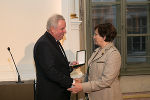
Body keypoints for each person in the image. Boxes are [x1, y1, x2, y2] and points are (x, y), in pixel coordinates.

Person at [68, 23, 123, 100]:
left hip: (106, 96)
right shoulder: (97, 51)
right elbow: (91, 74)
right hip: (93, 96)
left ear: (104, 37)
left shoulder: (113, 54)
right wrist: (82, 81)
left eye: (96, 34)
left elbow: (105, 81)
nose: (93, 37)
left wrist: (82, 86)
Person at [33, 14, 77, 100]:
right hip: (51, 95)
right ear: (52, 29)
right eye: (62, 29)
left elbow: (55, 64)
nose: (65, 31)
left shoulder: (52, 41)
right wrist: (72, 82)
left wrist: (69, 65)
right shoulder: (44, 44)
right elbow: (51, 71)